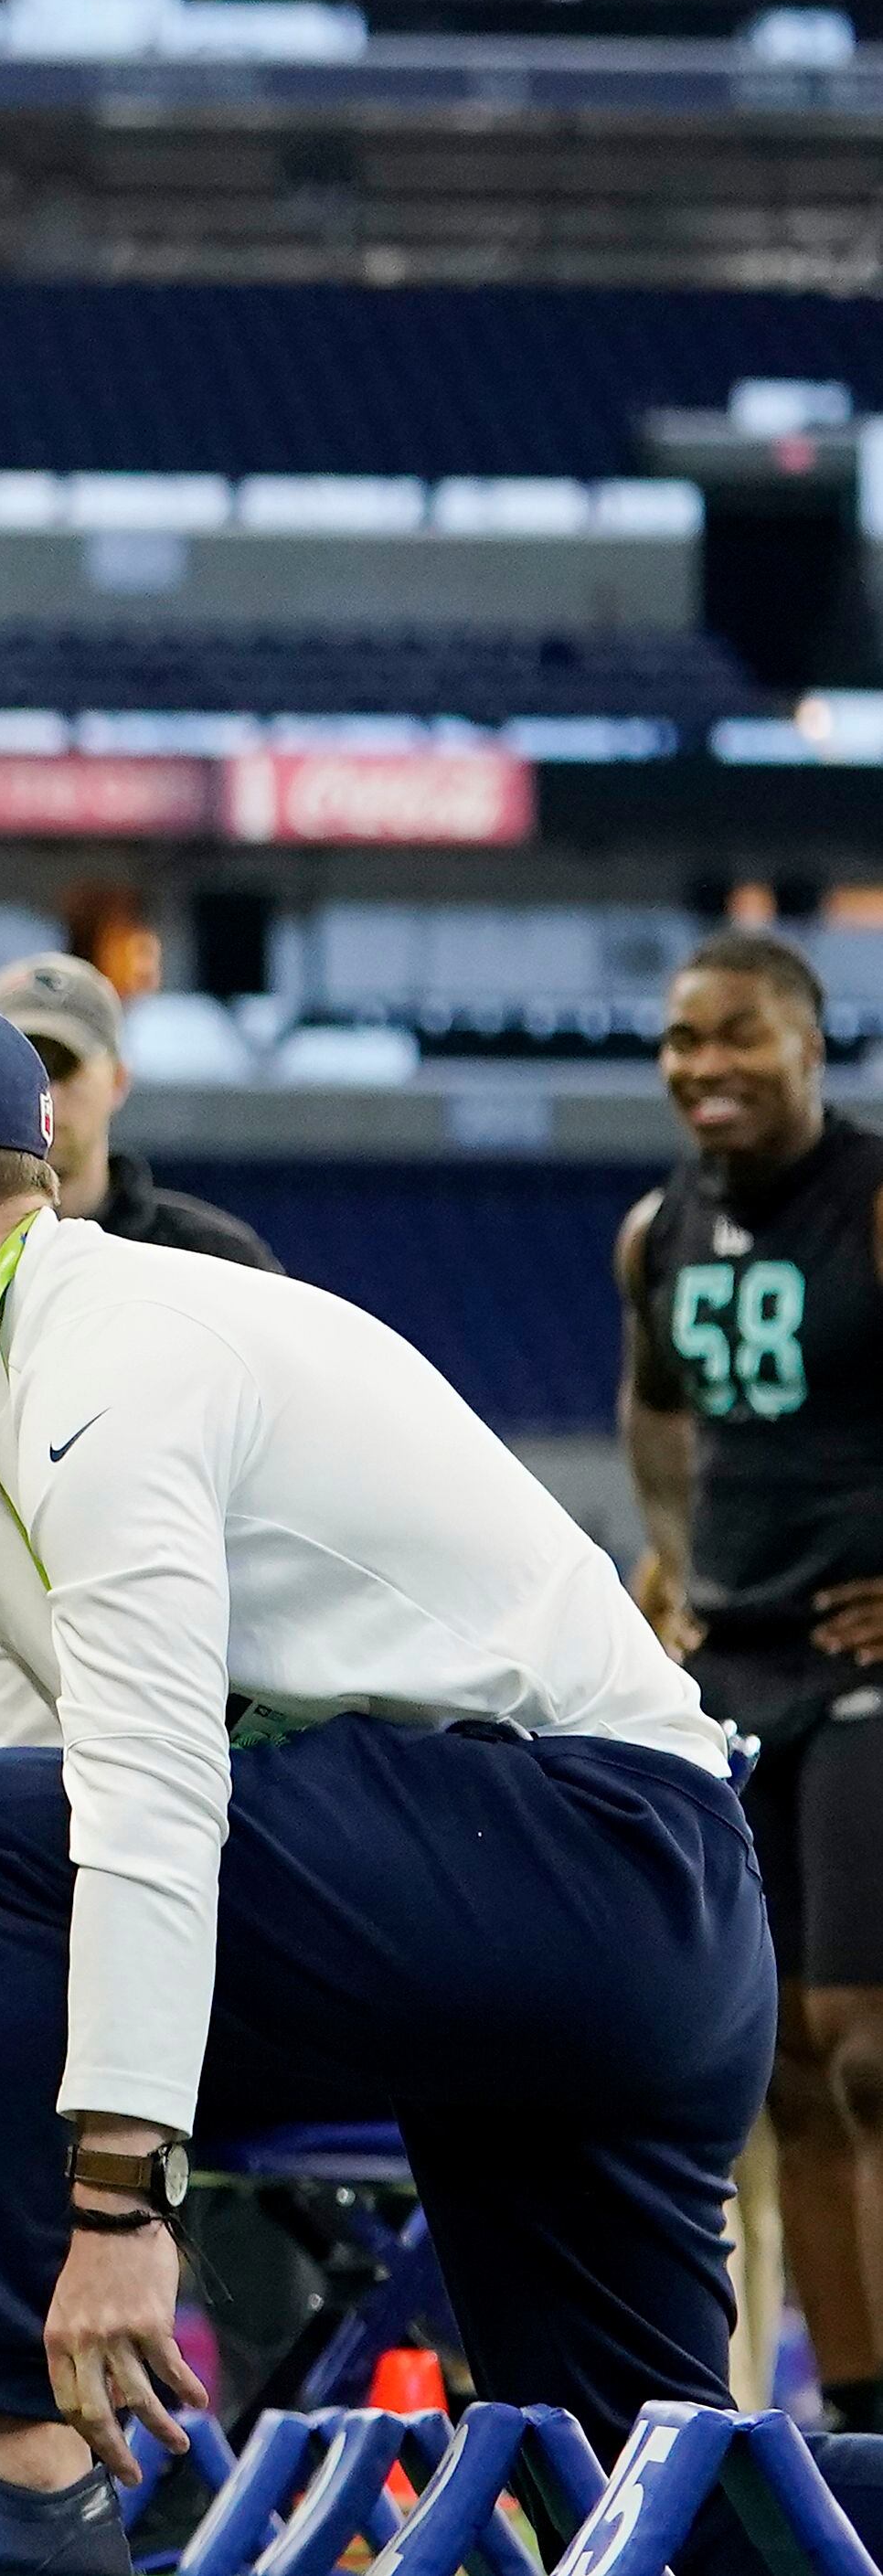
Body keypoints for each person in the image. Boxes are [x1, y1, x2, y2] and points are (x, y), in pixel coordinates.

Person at [0, 979, 768, 2576]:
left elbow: (137, 1803)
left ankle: (19, 2492)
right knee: (656, 2508)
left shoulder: (120, 1355)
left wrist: (102, 2216)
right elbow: (16, 1941)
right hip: (542, 1927)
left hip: (602, 1856)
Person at [0, 954, 273, 1911]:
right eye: (20, 1064)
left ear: (116, 1079)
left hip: (194, 1743)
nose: (47, 1096)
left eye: (62, 1067)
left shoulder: (216, 1266)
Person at [621, 925, 883, 2433]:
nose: (702, 1065)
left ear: (808, 1042)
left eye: (736, 1034)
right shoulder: (659, 1228)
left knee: (869, 2041)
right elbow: (653, 1414)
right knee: (778, 2064)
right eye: (678, 1039)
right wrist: (676, 1563)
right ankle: (856, 2428)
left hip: (863, 1669)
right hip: (738, 1663)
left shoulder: (870, 1197)